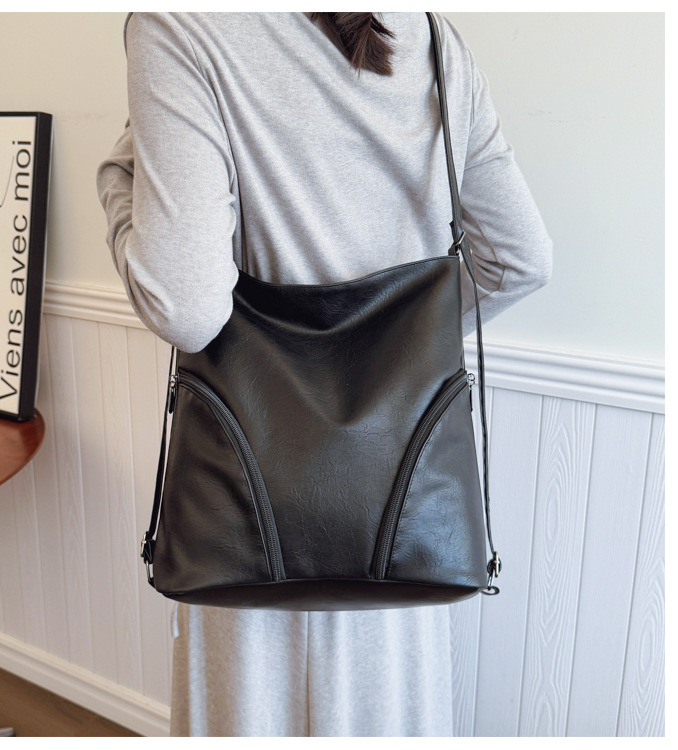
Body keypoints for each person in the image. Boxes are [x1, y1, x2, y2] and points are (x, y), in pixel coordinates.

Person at [96, 12, 552, 737]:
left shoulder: (184, 25)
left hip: (246, 526)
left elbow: (185, 308)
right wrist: (402, 345)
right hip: (403, 530)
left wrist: (119, 185)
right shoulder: (431, 36)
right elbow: (518, 260)